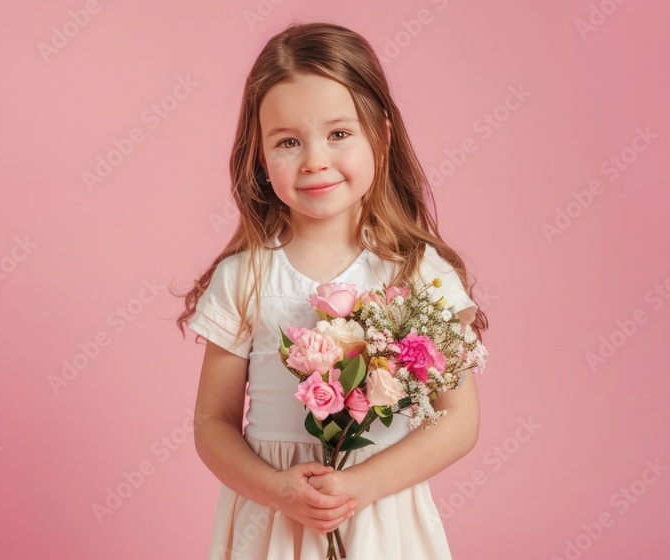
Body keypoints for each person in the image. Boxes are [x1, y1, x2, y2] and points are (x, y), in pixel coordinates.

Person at [173, 22, 490, 560]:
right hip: (273, 518)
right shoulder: (244, 277)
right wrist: (277, 489)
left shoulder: (419, 272)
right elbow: (213, 422)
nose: (315, 159)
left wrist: (358, 486)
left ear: (381, 137)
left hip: (378, 515)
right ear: (258, 156)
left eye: (339, 134)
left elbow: (458, 420)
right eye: (289, 141)